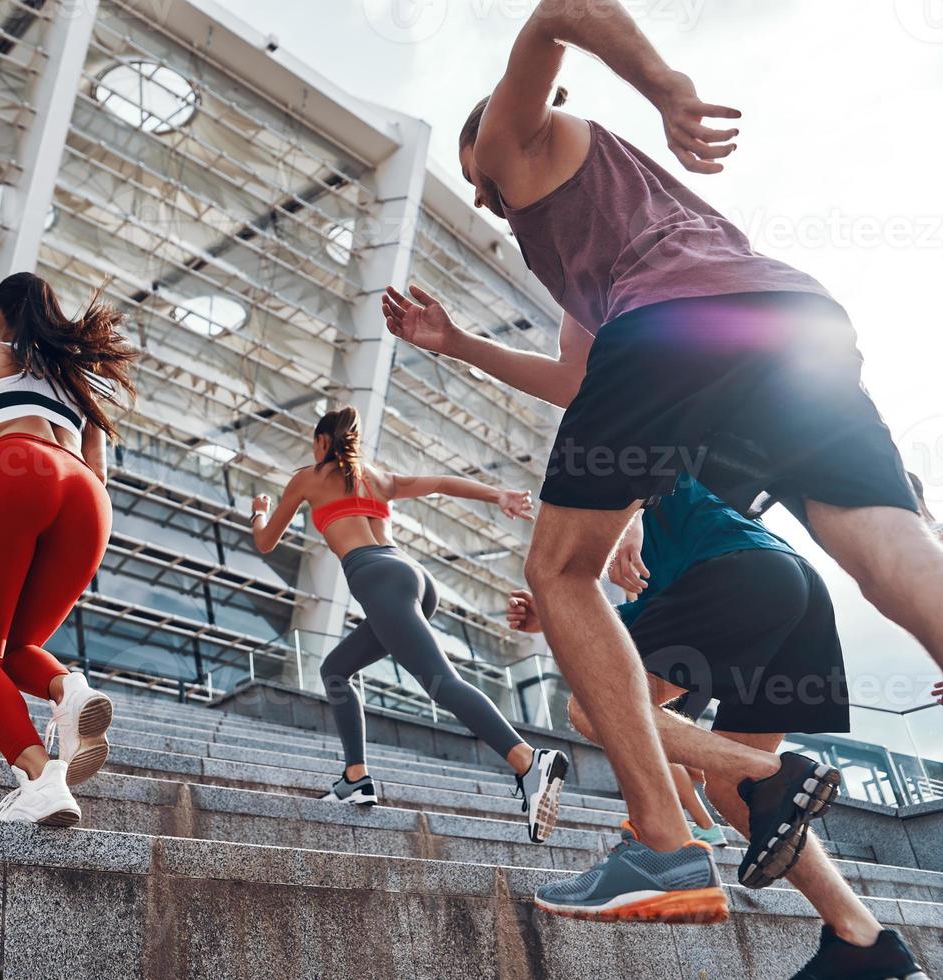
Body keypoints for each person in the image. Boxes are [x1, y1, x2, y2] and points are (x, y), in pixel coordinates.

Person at [384, 0, 943, 923]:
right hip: (788, 319)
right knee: (886, 545)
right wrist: (460, 345)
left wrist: (668, 89)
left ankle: (661, 847)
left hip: (676, 321)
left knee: (559, 568)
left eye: (475, 177)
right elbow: (578, 377)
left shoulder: (521, 138)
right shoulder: (601, 229)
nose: (483, 195)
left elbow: (561, 11)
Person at [507, 474, 927, 978]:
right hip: (793, 591)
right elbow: (615, 643)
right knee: (730, 789)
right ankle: (865, 941)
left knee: (592, 706)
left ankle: (768, 773)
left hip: (740, 572)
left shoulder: (638, 464)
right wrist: (553, 619)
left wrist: (633, 515)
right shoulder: (660, 572)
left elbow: (657, 454)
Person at [250, 405, 569, 843]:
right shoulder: (378, 477)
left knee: (442, 684)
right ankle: (355, 778)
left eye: (314, 443)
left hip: (378, 579)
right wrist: (498, 495)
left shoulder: (308, 477)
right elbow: (439, 483)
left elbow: (266, 542)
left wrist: (259, 512)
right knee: (335, 670)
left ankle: (529, 761)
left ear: (323, 442)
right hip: (413, 578)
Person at [0, 272, 136, 827]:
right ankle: (69, 689)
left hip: (18, 466)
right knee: (18, 649)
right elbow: (99, 472)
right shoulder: (77, 375)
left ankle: (42, 778)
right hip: (88, 498)